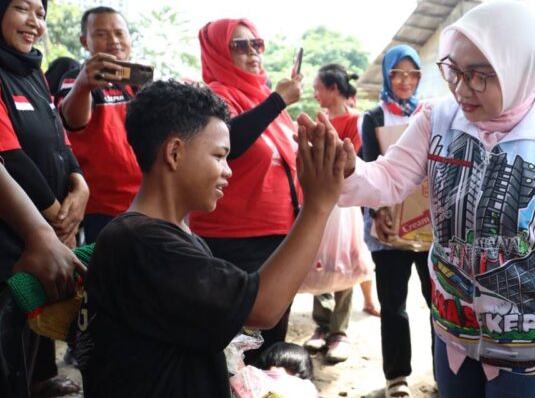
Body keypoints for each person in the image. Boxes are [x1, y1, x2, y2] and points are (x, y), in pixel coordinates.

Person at [301, 0, 535, 397]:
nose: (462, 88)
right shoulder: (438, 118)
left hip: (529, 344)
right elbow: (390, 177)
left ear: (520, 68)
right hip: (454, 332)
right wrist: (347, 169)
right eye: (454, 70)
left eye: (480, 75)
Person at [74, 80, 345, 397]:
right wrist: (317, 205)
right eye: (219, 156)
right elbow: (262, 308)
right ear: (174, 153)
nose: (228, 171)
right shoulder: (145, 243)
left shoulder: (165, 237)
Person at [191, 18, 302, 365]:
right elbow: (230, 141)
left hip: (280, 235)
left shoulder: (263, 99)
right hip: (235, 240)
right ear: (217, 52)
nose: (253, 52)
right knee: (237, 346)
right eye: (240, 45)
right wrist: (278, 100)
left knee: (272, 342)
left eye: (257, 43)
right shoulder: (213, 96)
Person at [0, 0, 88, 397]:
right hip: (13, 229)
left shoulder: (33, 72)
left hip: (47, 228)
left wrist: (80, 185)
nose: (34, 22)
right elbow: (10, 154)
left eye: (40, 13)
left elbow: (59, 138)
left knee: (37, 311)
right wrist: (54, 218)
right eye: (22, 9)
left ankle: (37, 380)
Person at [355, 44, 434, 397]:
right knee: (393, 305)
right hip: (388, 226)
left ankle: (445, 373)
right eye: (397, 74)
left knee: (439, 304)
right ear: (387, 77)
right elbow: (371, 167)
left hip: (429, 225)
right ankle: (397, 377)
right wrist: (378, 212)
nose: (405, 80)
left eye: (412, 74)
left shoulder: (429, 114)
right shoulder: (374, 117)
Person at [55, 6, 140, 243]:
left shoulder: (138, 83)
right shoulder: (76, 78)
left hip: (146, 202)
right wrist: (83, 86)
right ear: (85, 41)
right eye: (101, 34)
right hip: (102, 208)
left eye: (120, 33)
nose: (114, 41)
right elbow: (73, 120)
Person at [303, 63, 369, 363]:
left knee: (344, 258)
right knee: (320, 258)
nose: (315, 94)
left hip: (345, 201)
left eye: (318, 88)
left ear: (333, 88)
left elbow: (353, 162)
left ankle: (339, 330)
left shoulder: (357, 121)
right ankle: (322, 324)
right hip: (320, 199)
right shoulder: (322, 120)